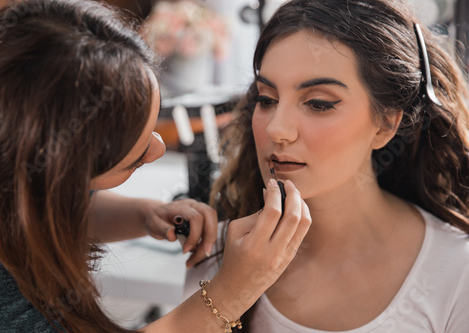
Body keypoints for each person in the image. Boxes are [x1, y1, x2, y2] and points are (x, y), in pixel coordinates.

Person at [0, 0, 312, 332]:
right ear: (62, 162)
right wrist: (231, 294)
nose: (158, 149)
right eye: (135, 151)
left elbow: (54, 204)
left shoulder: (14, 167)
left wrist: (144, 215)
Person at [185, 0, 469, 332]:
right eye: (266, 99)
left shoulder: (456, 271)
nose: (277, 129)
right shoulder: (222, 253)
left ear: (386, 124)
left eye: (318, 104)